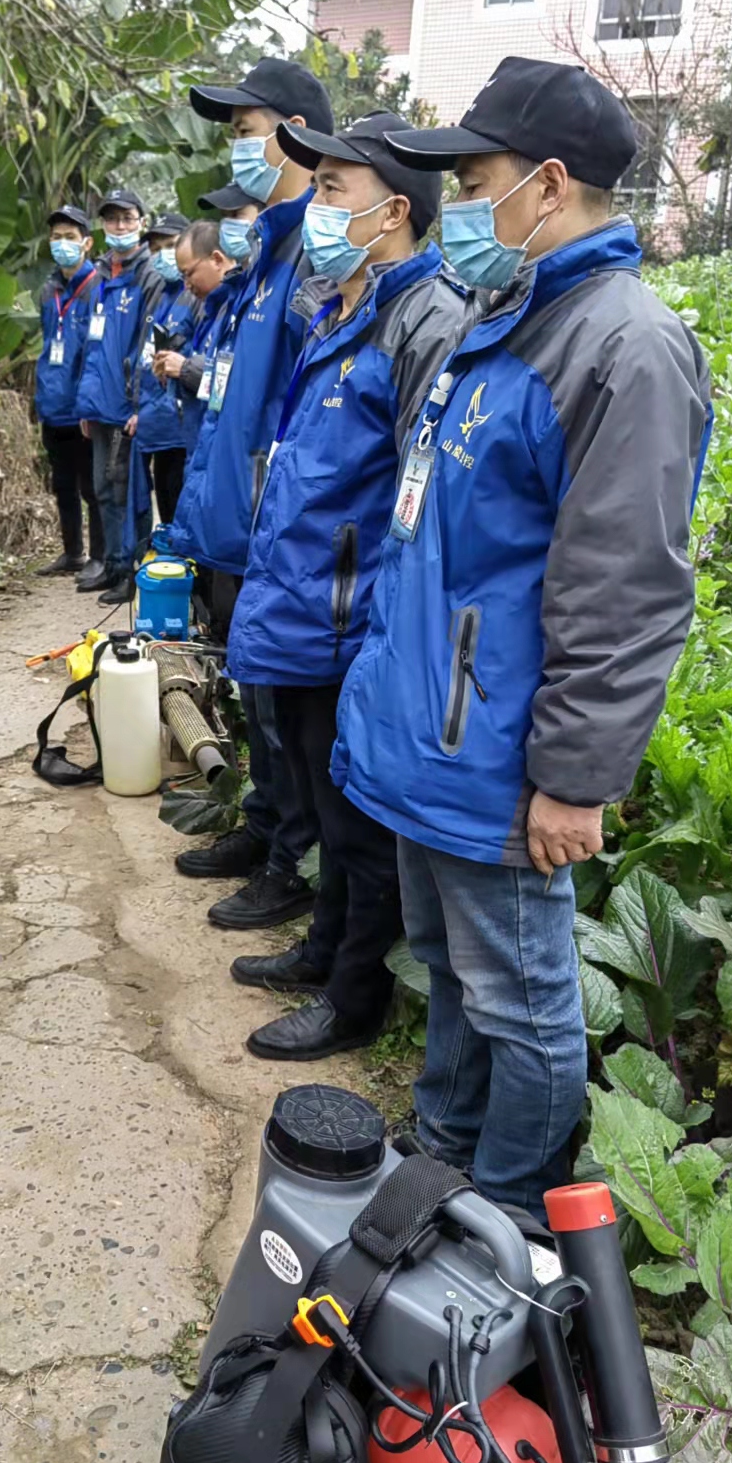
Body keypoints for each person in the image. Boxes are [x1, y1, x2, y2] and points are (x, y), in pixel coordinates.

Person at [332, 58, 714, 1214]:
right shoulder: (505, 320)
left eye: (475, 180)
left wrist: (574, 776)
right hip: (437, 736)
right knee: (450, 970)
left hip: (500, 753)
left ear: (546, 185)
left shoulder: (623, 346)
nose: (461, 207)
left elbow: (624, 587)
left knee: (523, 1000)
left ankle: (506, 1207)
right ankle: (441, 1156)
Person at [224, 112, 472, 1063]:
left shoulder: (425, 318)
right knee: (325, 803)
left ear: (393, 211)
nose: (316, 205)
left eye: (333, 189)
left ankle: (353, 996)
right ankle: (323, 947)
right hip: (304, 602)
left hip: (349, 614)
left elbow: (421, 488)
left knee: (358, 822)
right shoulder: (342, 302)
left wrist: (380, 620)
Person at [162, 58, 334, 933]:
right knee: (252, 693)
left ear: (295, 136)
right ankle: (265, 826)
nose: (234, 147)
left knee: (279, 706)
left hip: (278, 526)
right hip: (239, 520)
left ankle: (289, 859)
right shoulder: (263, 257)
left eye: (245, 131)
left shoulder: (312, 256)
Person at [74, 187, 151, 604]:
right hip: (99, 404)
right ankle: (113, 563)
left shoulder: (148, 274)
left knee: (126, 491)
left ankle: (132, 570)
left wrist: (140, 402)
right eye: (112, 219)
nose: (120, 226)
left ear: (141, 222)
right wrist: (85, 404)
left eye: (127, 218)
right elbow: (92, 343)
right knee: (103, 488)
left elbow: (146, 343)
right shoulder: (101, 275)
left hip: (125, 406)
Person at [34, 204, 102, 577]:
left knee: (92, 486)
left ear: (87, 243)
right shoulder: (48, 290)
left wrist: (89, 403)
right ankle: (72, 552)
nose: (63, 244)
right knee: (62, 485)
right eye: (57, 237)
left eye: (70, 237)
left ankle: (99, 557)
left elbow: (97, 352)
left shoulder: (97, 287)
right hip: (53, 403)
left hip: (84, 406)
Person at [124, 213, 195, 546]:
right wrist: (139, 410)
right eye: (156, 249)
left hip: (179, 429)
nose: (163, 255)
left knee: (182, 515)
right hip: (156, 426)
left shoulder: (195, 297)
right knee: (165, 515)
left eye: (171, 245)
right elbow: (147, 359)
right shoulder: (161, 296)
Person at [154, 216, 242, 460]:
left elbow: (236, 381)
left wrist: (185, 368)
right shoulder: (210, 309)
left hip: (222, 446)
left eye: (188, 274)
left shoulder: (239, 307)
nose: (186, 285)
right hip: (200, 437)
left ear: (216, 260)